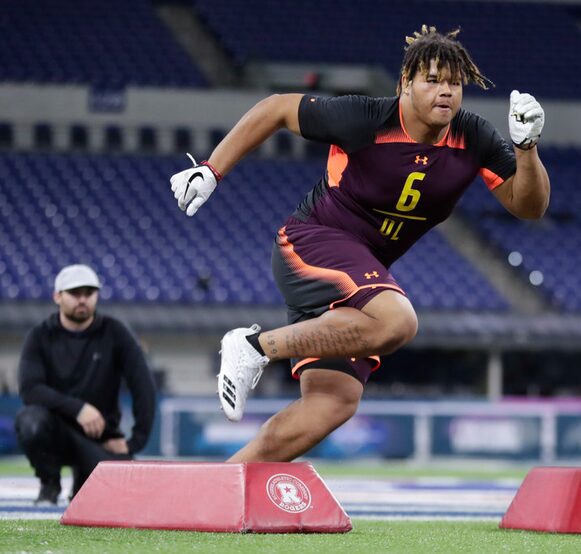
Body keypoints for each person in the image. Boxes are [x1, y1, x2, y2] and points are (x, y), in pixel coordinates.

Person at [169, 26, 549, 462]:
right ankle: (253, 347)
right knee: (397, 321)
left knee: (333, 402)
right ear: (405, 84)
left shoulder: (472, 136)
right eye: (433, 79)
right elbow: (275, 108)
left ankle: (220, 488)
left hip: (355, 276)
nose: (446, 92)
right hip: (310, 243)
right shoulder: (367, 119)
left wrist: (527, 149)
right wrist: (211, 170)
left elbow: (529, 206)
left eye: (454, 83)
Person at [15, 264, 157, 505]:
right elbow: (31, 389)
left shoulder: (115, 332)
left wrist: (134, 442)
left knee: (120, 496)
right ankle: (49, 482)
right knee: (30, 421)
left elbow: (143, 387)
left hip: (100, 438)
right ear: (57, 296)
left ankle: (85, 479)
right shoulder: (40, 336)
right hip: (55, 432)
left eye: (89, 293)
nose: (82, 299)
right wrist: (78, 409)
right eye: (75, 293)